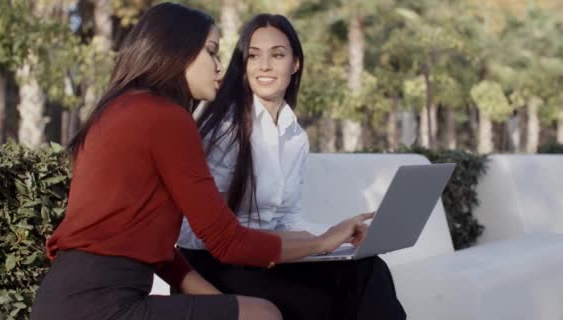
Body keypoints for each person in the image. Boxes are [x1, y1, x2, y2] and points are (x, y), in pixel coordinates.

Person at [30, 3, 371, 320]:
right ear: (176, 52)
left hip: (66, 299)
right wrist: (324, 241)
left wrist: (213, 297)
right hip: (102, 305)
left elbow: (162, 253)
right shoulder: (166, 118)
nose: (220, 66)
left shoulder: (123, 109)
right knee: (264, 315)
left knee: (255, 310)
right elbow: (227, 240)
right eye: (210, 51)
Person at [177, 13, 406, 320]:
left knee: (368, 268)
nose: (265, 66)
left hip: (268, 258)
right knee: (332, 296)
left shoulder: (294, 135)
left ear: (295, 63)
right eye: (254, 56)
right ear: (243, 65)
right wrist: (314, 245)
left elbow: (286, 217)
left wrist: (336, 238)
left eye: (278, 55)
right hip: (215, 264)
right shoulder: (226, 128)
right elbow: (198, 230)